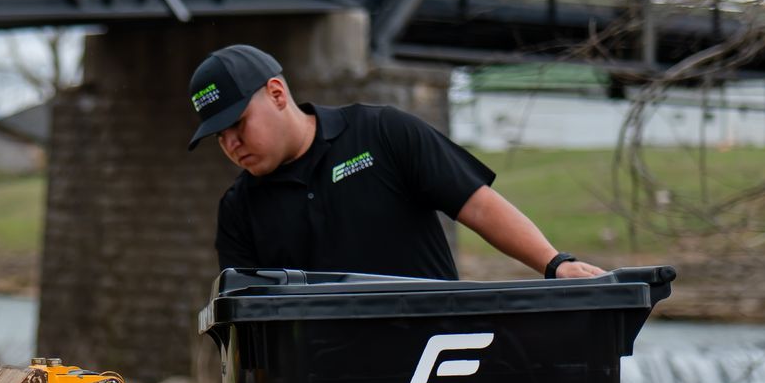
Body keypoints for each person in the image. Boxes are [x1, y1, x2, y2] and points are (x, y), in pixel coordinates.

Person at [188, 44, 606, 280]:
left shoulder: (383, 133)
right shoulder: (238, 209)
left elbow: (476, 203)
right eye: (219, 136)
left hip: (433, 365)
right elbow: (244, 319)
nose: (231, 143)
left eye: (238, 124)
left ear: (278, 94)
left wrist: (555, 263)